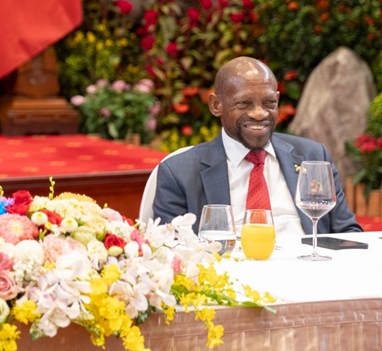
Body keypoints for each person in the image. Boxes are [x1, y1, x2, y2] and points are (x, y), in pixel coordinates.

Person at [152, 56, 362, 235]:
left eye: (269, 103)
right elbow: (171, 251)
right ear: (216, 105)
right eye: (244, 104)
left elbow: (347, 233)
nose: (259, 114)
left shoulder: (312, 156)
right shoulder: (179, 172)